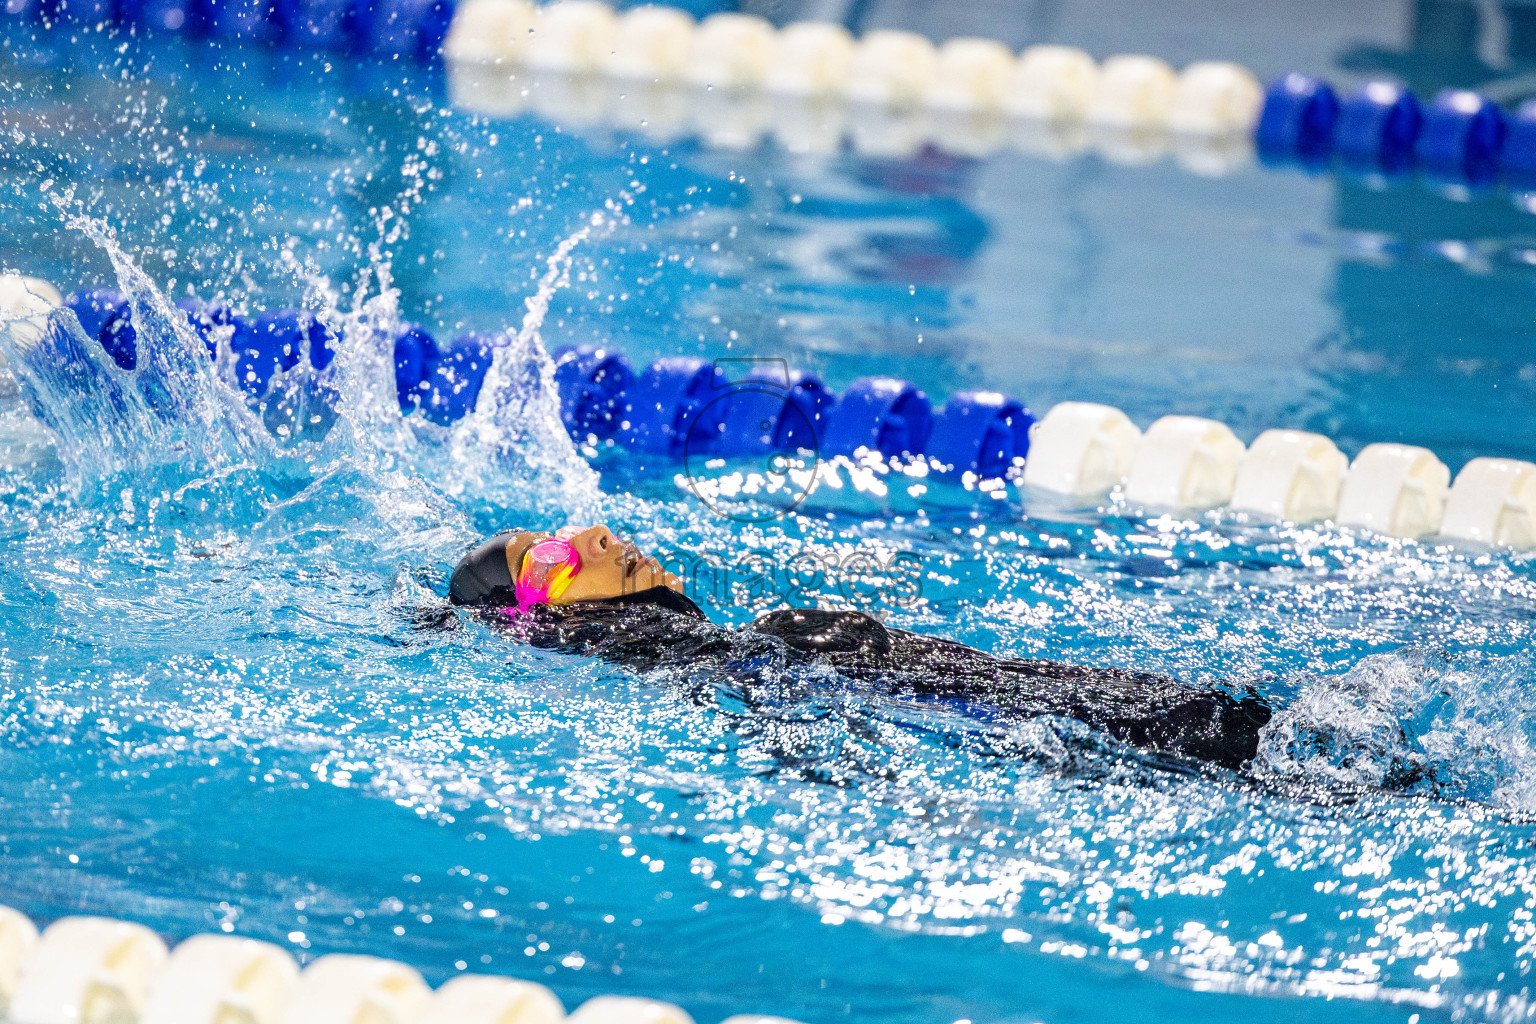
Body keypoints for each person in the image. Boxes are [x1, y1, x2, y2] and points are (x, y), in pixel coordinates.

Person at [448, 525, 1275, 773]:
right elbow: (785, 729)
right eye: (548, 557)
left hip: (1074, 706)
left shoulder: (722, 643)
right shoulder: (685, 666)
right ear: (534, 619)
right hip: (1069, 725)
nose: (592, 534)